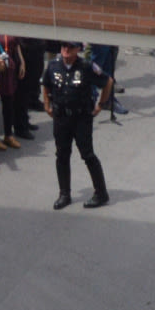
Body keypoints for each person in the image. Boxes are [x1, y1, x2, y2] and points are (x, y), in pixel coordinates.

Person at [41, 42, 109, 210]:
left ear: (78, 49)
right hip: (61, 117)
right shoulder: (53, 65)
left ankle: (101, 193)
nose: (66, 49)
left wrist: (101, 104)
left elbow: (107, 82)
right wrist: (47, 104)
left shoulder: (85, 66)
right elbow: (46, 83)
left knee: (88, 155)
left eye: (70, 47)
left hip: (81, 117)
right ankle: (64, 194)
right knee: (62, 155)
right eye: (64, 46)